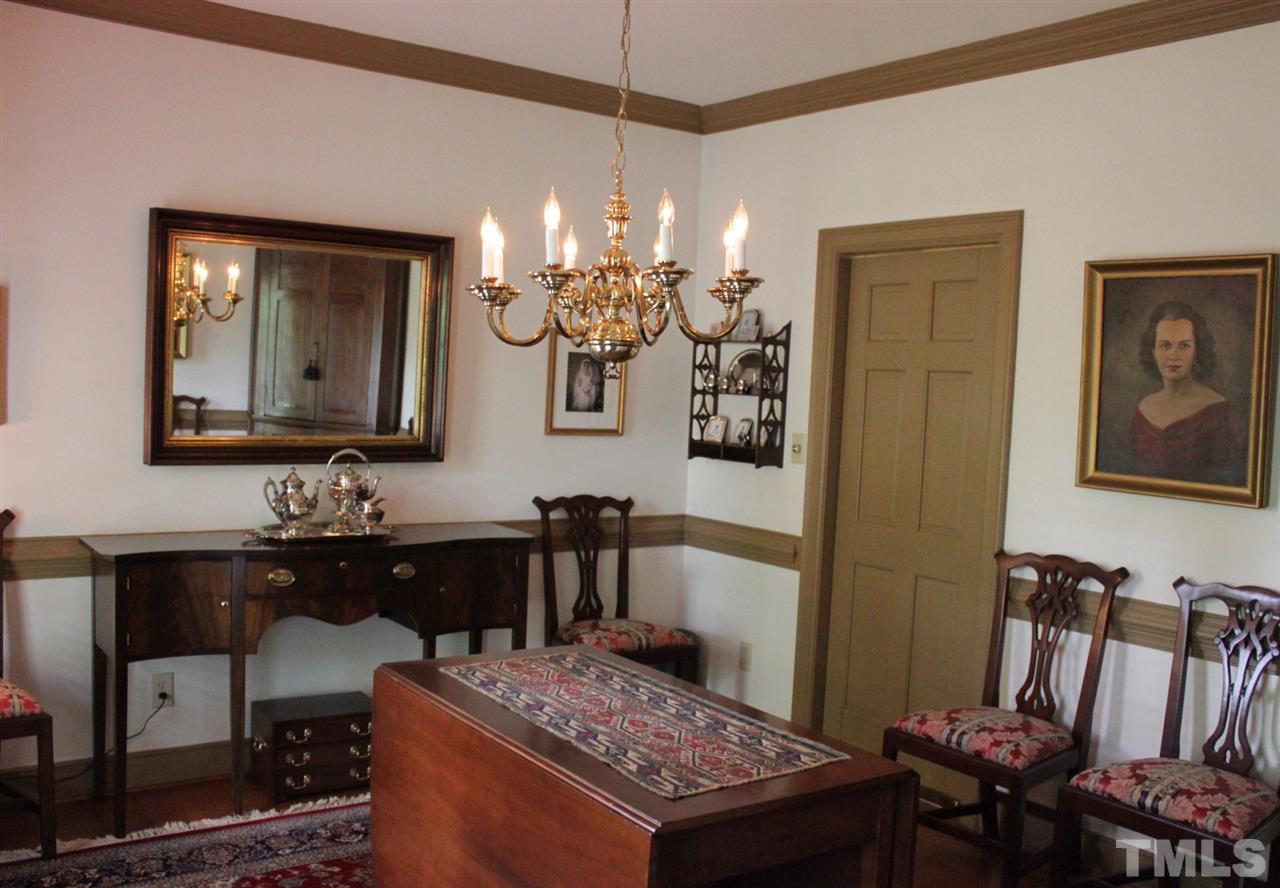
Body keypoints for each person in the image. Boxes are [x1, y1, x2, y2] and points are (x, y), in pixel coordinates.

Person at [1130, 300, 1242, 486]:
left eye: (1184, 346)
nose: (1174, 355)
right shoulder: (1142, 410)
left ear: (1196, 351)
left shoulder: (1217, 412)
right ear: (1153, 351)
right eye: (1165, 345)